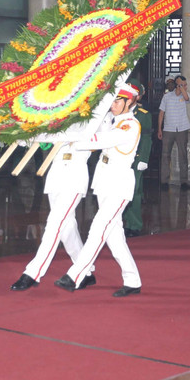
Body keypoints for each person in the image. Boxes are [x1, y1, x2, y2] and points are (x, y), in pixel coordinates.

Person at [9, 92, 118, 291]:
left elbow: (103, 139)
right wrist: (23, 134)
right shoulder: (60, 115)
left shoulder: (96, 115)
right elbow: (40, 136)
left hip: (75, 175)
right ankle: (85, 271)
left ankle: (33, 272)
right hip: (56, 173)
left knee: (55, 223)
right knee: (67, 227)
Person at [55, 83, 143, 297]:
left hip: (118, 186)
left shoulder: (130, 125)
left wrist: (72, 139)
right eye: (111, 101)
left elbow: (101, 140)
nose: (112, 105)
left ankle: (76, 274)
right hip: (104, 184)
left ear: (130, 101)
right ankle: (132, 280)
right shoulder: (113, 122)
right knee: (114, 237)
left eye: (117, 101)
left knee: (98, 229)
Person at [123, 82, 152, 237]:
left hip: (136, 158)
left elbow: (147, 138)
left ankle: (134, 225)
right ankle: (123, 222)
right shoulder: (118, 111)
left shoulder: (143, 114)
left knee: (134, 192)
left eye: (132, 92)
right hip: (120, 158)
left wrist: (144, 158)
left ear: (139, 96)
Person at [158, 73, 190, 190]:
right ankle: (164, 181)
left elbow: (187, 98)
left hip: (182, 128)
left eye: (185, 85)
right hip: (168, 129)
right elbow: (161, 113)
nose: (184, 86)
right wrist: (159, 129)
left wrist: (182, 88)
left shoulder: (186, 95)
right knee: (165, 155)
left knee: (183, 155)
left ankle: (184, 181)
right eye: (182, 84)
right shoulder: (166, 97)